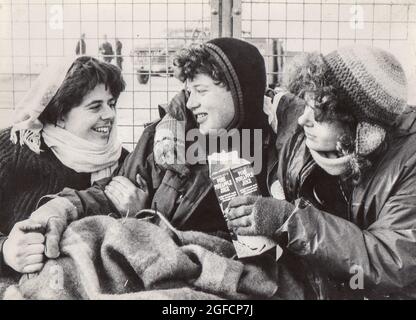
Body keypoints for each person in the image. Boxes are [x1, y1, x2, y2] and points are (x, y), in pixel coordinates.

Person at [24, 37, 302, 258]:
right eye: (188, 92)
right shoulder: (170, 137)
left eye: (201, 91)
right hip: (166, 264)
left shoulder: (281, 149)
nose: (191, 102)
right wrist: (60, 208)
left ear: (240, 91)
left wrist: (277, 219)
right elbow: (112, 191)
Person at [226, 46, 416, 299]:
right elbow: (268, 98)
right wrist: (170, 124)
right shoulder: (312, 130)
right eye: (306, 105)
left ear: (361, 129)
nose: (303, 120)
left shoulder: (409, 165)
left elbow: (391, 262)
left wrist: (289, 220)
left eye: (318, 115)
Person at [0, 56, 138, 276]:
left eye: (111, 104)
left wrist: (138, 212)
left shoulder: (124, 161)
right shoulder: (12, 150)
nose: (110, 114)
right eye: (95, 107)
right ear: (60, 115)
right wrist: (5, 251)